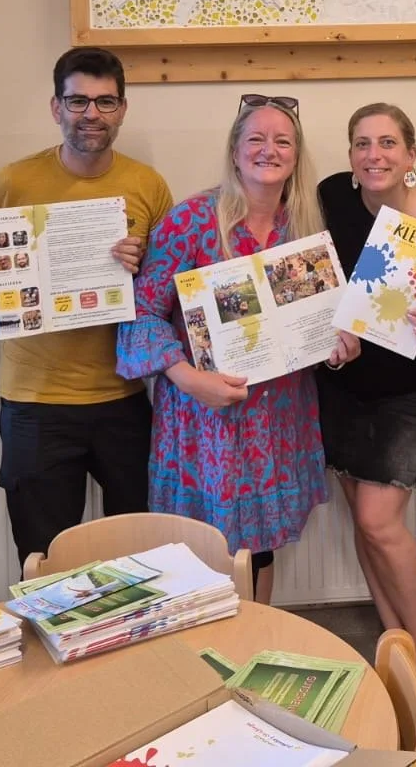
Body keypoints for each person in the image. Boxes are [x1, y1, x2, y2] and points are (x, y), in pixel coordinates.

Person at [0, 47, 172, 566]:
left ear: (122, 110)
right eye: (78, 101)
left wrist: (140, 265)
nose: (91, 114)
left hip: (123, 396)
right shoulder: (14, 181)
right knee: (44, 561)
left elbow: (168, 287)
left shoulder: (148, 185)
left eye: (105, 102)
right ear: (56, 107)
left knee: (142, 555)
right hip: (35, 405)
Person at [119, 94, 358, 603]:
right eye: (256, 139)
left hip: (277, 420)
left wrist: (335, 345)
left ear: (296, 156)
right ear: (234, 150)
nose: (269, 150)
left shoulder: (304, 228)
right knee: (200, 553)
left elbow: (314, 324)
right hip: (203, 420)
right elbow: (141, 314)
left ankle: (253, 639)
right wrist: (189, 379)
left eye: (282, 141)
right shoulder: (191, 221)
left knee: (260, 552)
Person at [317, 103, 416, 714]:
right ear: (350, 154)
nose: (374, 155)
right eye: (362, 143)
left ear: (411, 155)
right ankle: (397, 639)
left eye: (387, 143)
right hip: (341, 382)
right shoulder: (332, 197)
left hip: (413, 389)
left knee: (380, 520)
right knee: (363, 520)